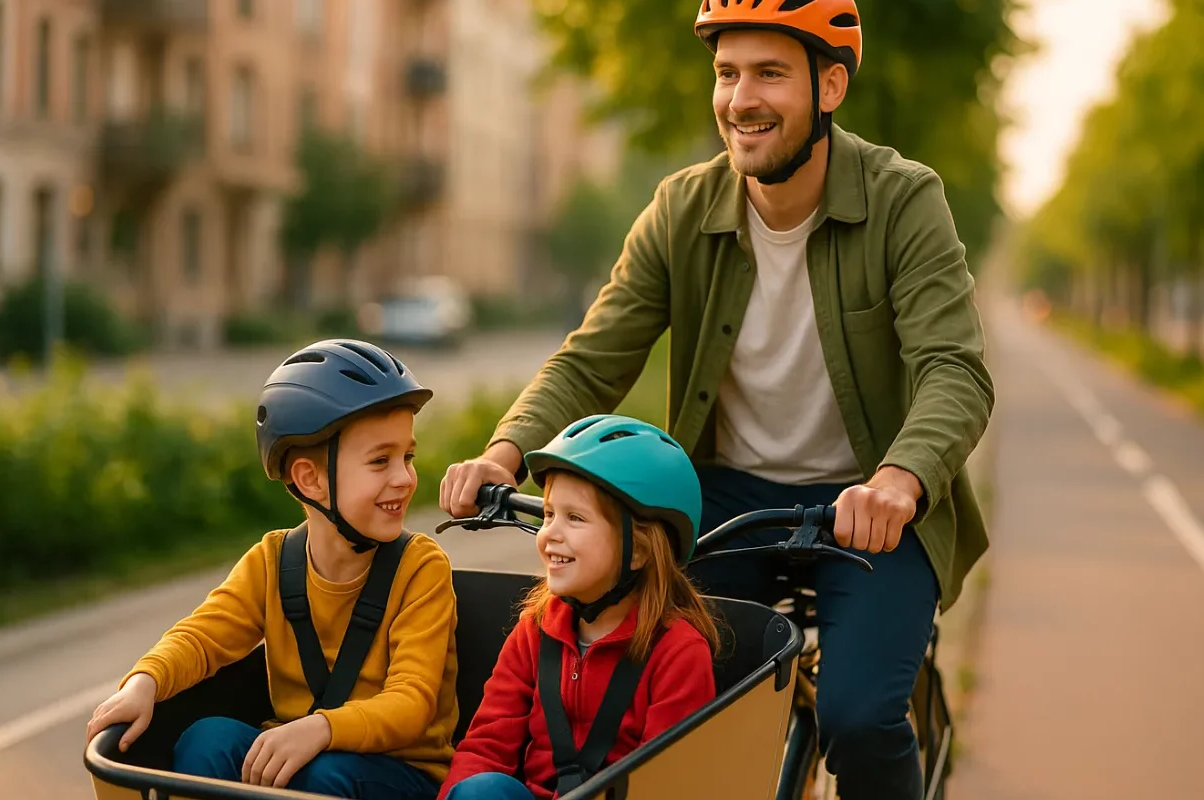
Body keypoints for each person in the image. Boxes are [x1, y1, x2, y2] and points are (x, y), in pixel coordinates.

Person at [440, 0, 995, 796]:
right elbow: (595, 357)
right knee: (686, 716)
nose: (741, 99)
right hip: (726, 500)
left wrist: (901, 478)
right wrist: (505, 451)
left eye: (770, 73)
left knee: (861, 716)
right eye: (728, 73)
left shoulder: (904, 200)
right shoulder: (682, 208)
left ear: (830, 86)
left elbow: (955, 368)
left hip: (873, 506)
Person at [86, 339, 461, 800]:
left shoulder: (421, 568)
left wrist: (318, 730)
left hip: (399, 773)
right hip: (299, 757)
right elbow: (201, 636)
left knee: (321, 777)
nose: (403, 478)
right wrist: (146, 681)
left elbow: (412, 703)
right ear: (310, 479)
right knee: (209, 739)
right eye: (380, 461)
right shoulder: (272, 562)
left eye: (407, 457)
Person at [437, 415, 720, 800]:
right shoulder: (535, 631)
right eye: (549, 514)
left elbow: (665, 783)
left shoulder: (679, 652)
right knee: (481, 789)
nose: (549, 532)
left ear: (637, 550)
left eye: (575, 518)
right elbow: (486, 749)